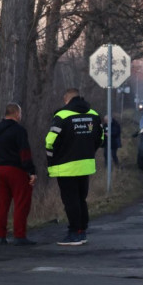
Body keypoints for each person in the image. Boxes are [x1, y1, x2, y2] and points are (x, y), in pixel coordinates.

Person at [45, 88, 102, 246]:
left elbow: (50, 141)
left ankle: (74, 233)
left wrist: (51, 159)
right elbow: (101, 138)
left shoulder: (62, 116)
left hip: (66, 166)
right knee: (81, 199)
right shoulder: (94, 115)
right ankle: (82, 230)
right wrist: (89, 151)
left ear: (66, 99)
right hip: (86, 165)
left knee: (70, 201)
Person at [0, 102, 37, 246]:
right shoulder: (19, 130)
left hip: (1, 170)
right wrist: (31, 171)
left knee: (2, 204)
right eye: (20, 113)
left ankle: (0, 235)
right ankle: (19, 235)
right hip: (16, 170)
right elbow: (24, 152)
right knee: (21, 202)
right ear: (16, 113)